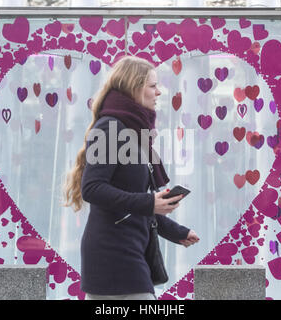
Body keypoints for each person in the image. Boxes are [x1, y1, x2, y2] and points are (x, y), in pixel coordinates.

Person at [64, 55, 199, 300]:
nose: (158, 92)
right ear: (134, 88)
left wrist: (175, 231)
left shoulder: (134, 132)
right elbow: (92, 188)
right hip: (112, 253)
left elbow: (134, 200)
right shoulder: (110, 127)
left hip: (130, 248)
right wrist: (150, 203)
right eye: (152, 86)